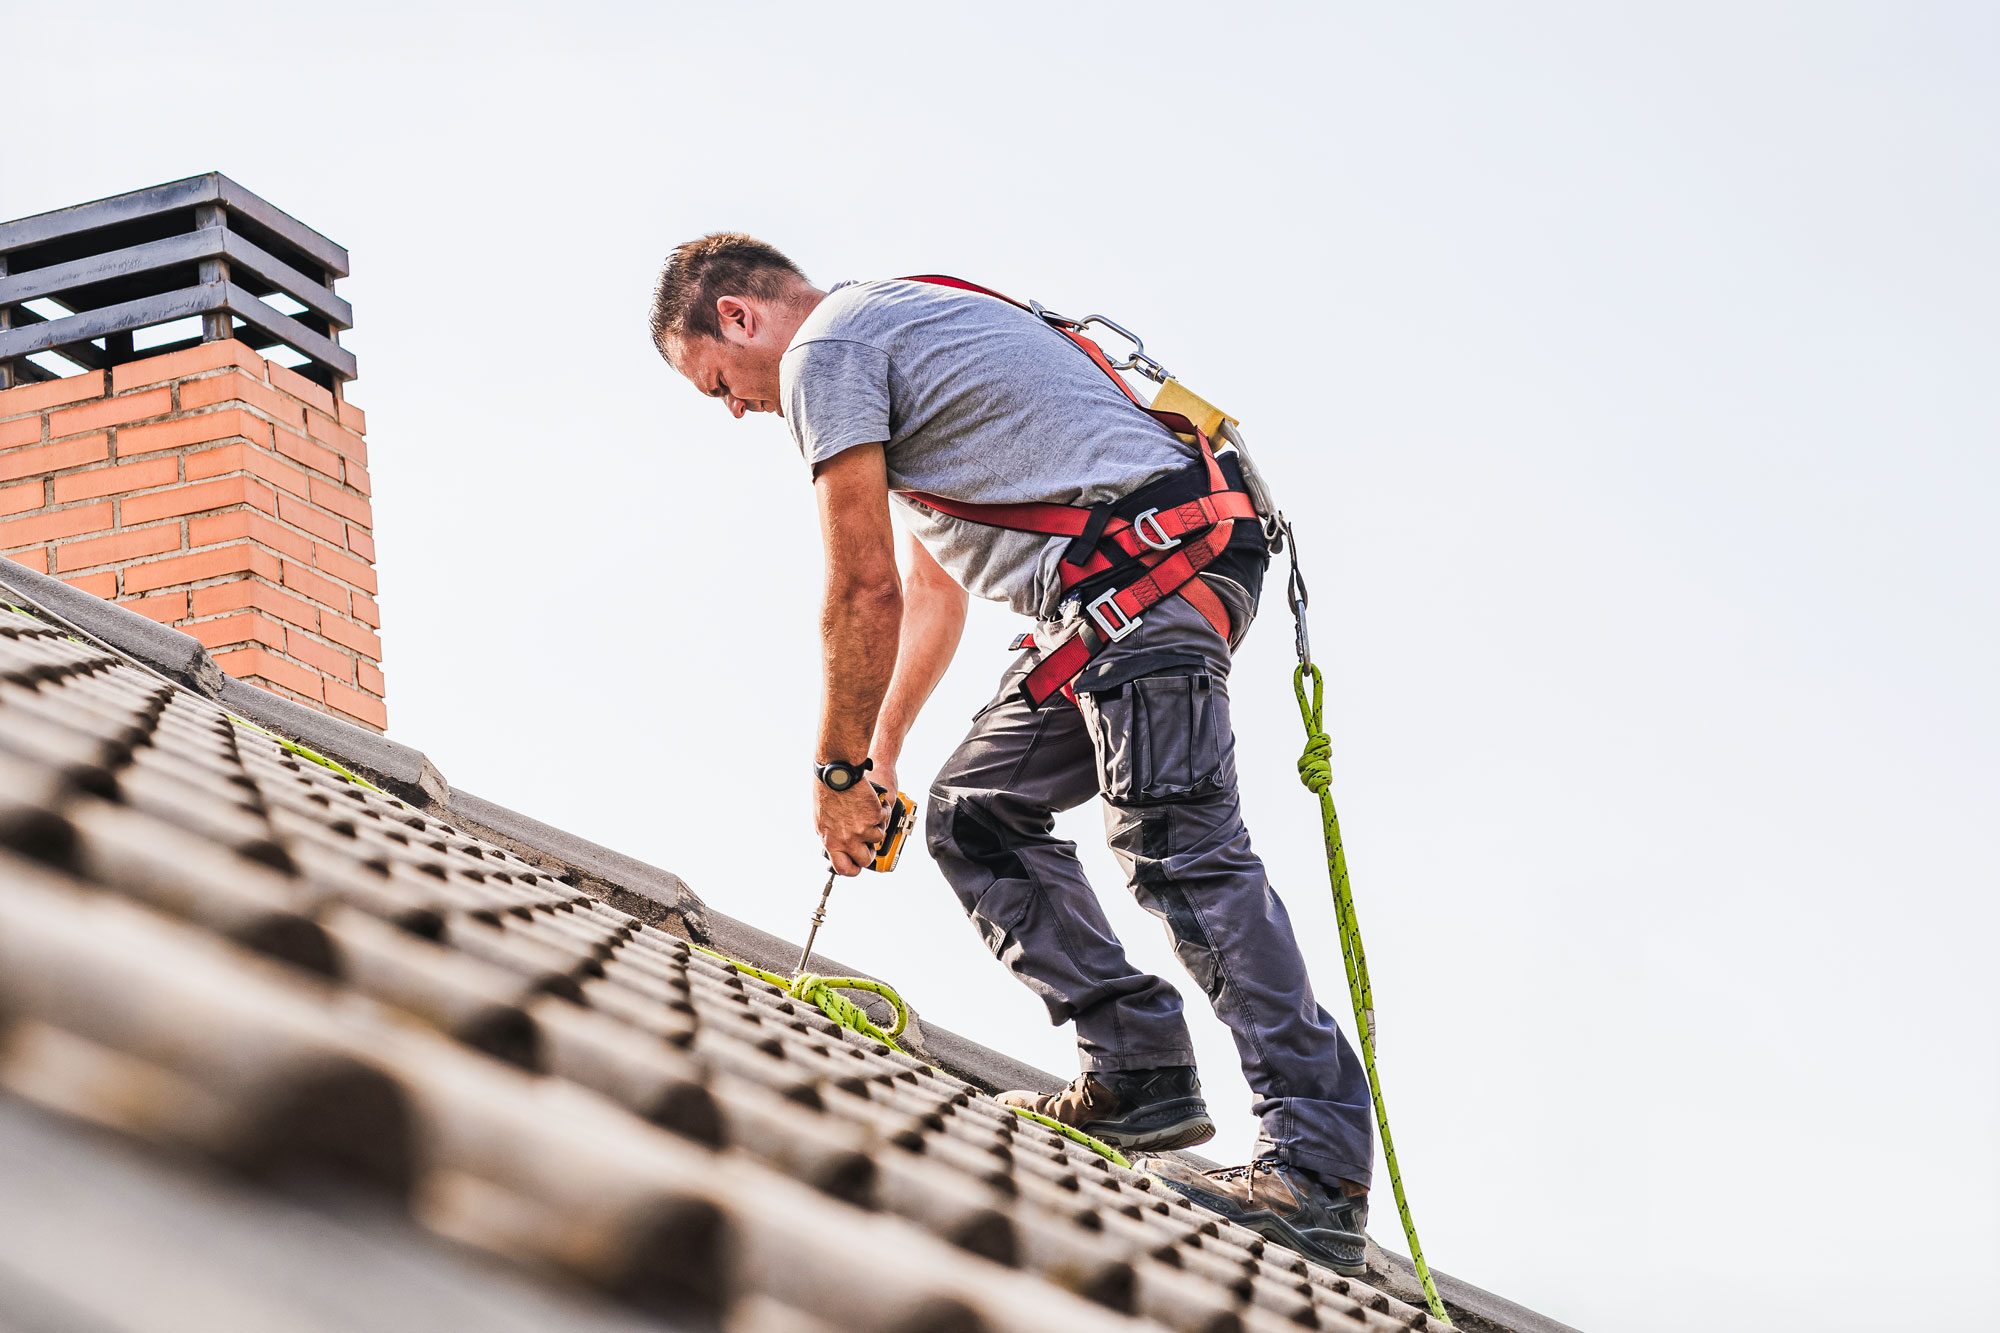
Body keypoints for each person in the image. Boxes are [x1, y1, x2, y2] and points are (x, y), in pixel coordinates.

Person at [649, 234, 1376, 1273]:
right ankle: (1139, 1070)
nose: (733, 409)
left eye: (718, 385)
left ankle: (1315, 1168)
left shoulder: (825, 355)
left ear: (738, 318)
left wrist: (835, 771)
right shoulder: (897, 332)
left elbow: (862, 591)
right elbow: (930, 589)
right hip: (1138, 584)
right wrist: (886, 752)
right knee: (973, 814)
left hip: (1145, 580)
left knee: (1177, 846)